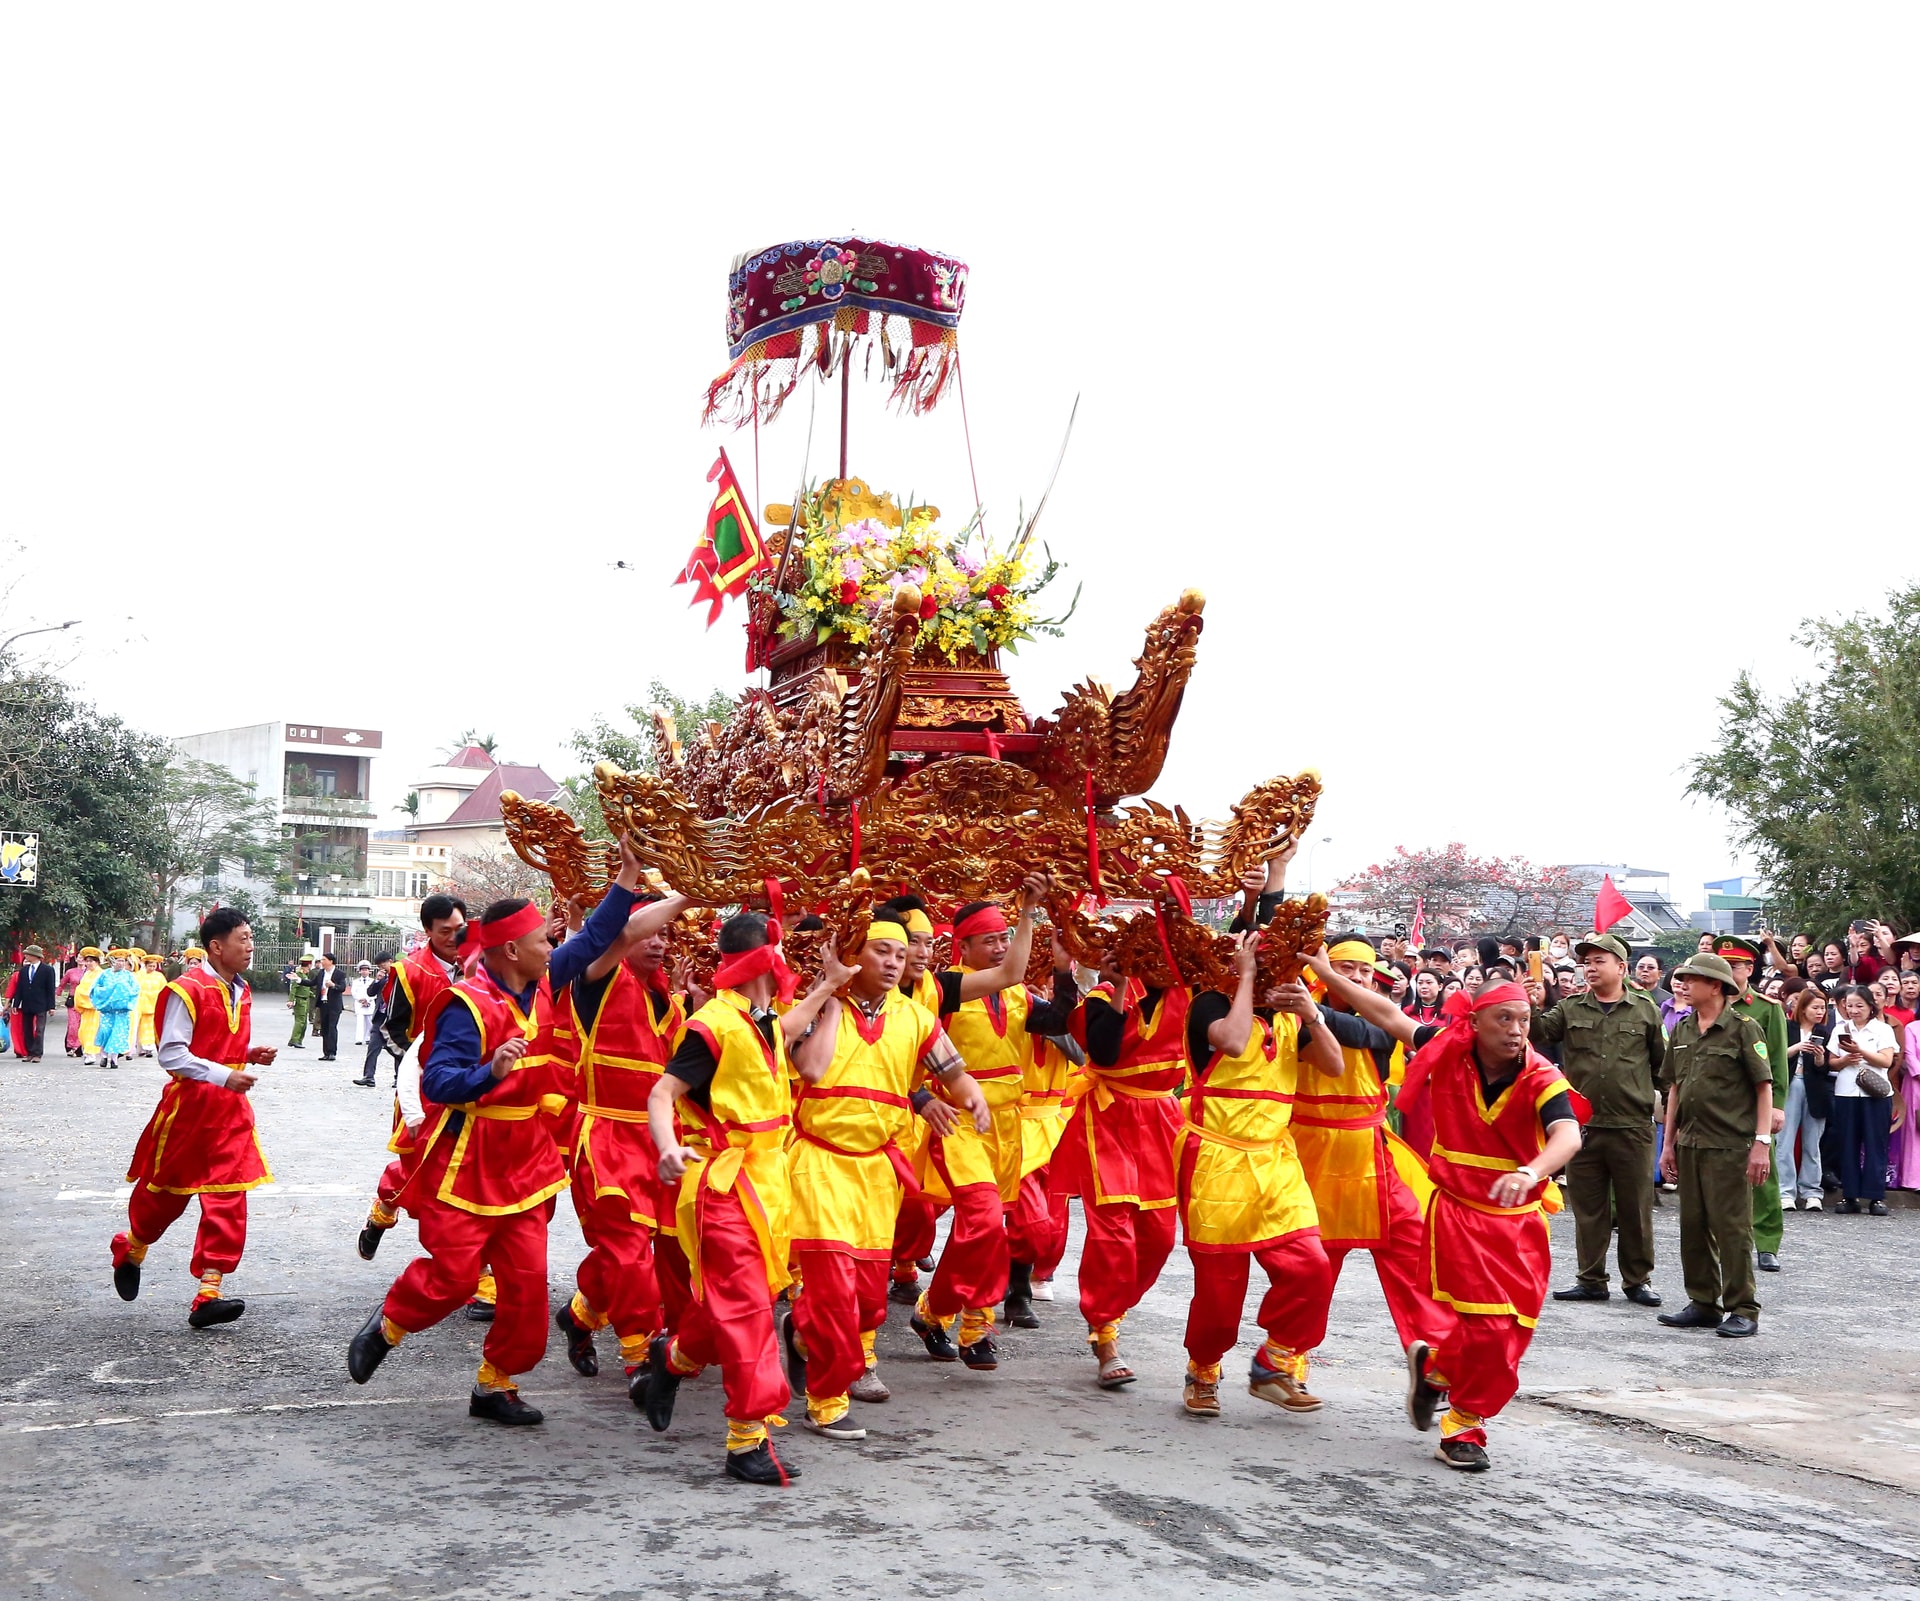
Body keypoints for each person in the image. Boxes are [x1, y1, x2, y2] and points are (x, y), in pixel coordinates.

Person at [346, 898, 571, 1425]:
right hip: (470, 1158)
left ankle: (496, 1384)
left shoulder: (542, 987)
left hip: (527, 1161)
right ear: (511, 950)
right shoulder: (465, 1005)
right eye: (543, 940)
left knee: (528, 1285)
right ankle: (389, 1326)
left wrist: (629, 880)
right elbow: (440, 1082)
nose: (552, 948)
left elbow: (601, 941)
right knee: (454, 1277)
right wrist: (491, 1072)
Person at [786, 919, 984, 1440]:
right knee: (833, 1294)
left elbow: (953, 1073)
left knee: (869, 1304)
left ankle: (803, 1334)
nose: (895, 962)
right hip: (820, 1165)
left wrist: (973, 1097)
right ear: (854, 954)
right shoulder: (819, 1007)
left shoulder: (917, 1018)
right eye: (882, 951)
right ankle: (826, 1401)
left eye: (900, 953)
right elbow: (807, 1069)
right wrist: (830, 998)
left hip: (878, 1172)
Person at [642, 911, 821, 1487]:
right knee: (747, 1311)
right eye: (781, 951)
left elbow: (786, 1029)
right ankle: (747, 1440)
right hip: (724, 1186)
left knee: (732, 1304)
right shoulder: (712, 1025)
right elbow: (662, 1092)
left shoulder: (761, 1021)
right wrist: (667, 1147)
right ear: (766, 959)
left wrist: (829, 987)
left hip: (769, 1185)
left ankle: (670, 1361)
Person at [1393, 979, 1584, 1471]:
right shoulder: (1448, 1051)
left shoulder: (1541, 1075)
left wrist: (1531, 1173)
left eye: (1525, 1020)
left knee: (1510, 1329)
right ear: (1475, 1023)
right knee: (1488, 1326)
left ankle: (1435, 1369)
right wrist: (1326, 976)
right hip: (1459, 1213)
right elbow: (1389, 1016)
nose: (1517, 1030)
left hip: (1520, 1224)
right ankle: (1464, 1424)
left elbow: (1568, 1135)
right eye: (1505, 1019)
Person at [550, 842, 703, 1407]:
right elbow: (617, 934)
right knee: (631, 1253)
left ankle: (580, 1314)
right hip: (607, 1138)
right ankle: (640, 1356)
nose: (659, 941)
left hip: (661, 1141)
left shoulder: (676, 1005)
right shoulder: (598, 980)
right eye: (650, 932)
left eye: (666, 934)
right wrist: (689, 894)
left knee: (645, 1252)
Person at [1178, 933, 1343, 1418]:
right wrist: (1246, 977)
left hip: (1276, 1159)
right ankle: (1203, 1368)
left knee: (1311, 1266)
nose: (1278, 972)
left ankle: (1274, 1362)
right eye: (1265, 962)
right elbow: (1231, 1043)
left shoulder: (1290, 1015)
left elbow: (1333, 1065)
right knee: (1220, 1288)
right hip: (1216, 1158)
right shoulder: (1209, 1003)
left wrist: (1312, 1013)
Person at [911, 876, 1074, 1364]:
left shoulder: (1019, 995)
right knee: (982, 1220)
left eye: (1005, 938)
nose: (1001, 947)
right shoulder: (944, 991)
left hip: (1006, 1126)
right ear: (962, 947)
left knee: (984, 1230)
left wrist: (1064, 972)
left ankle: (937, 1313)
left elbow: (1061, 1022)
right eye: (990, 940)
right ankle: (974, 1325)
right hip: (956, 1122)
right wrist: (922, 1096)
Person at [1289, 941, 1454, 1396]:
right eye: (1346, 968)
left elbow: (1369, 1032)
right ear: (1322, 971)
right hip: (1314, 1155)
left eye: (1365, 971)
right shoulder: (1294, 1018)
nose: (1359, 977)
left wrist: (1313, 1010)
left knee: (1415, 1249)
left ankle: (1433, 1357)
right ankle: (1289, 1352)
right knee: (1316, 1266)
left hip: (1373, 1154)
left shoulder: (1376, 1021)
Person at [111, 909, 278, 1327]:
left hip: (230, 1111)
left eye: (251, 937)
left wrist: (246, 1054)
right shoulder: (187, 989)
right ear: (216, 946)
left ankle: (208, 1293)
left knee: (229, 1197)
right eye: (243, 938)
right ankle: (132, 1246)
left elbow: (216, 1044)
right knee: (165, 1197)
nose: (250, 946)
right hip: (190, 1110)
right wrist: (224, 1073)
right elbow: (172, 1054)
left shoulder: (241, 989)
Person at [1048, 912, 1194, 1390]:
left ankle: (1114, 1309)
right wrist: (1118, 986)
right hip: (1109, 1119)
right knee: (1113, 1235)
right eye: (1148, 953)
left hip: (1162, 1121)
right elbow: (1106, 1053)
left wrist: (1259, 892)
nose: (1161, 961)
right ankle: (1105, 1331)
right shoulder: (1102, 997)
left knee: (1159, 1238)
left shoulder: (1192, 996)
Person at [1529, 933, 1666, 1308]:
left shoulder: (1645, 1009)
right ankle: (1591, 1278)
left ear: (1621, 967)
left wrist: (1667, 1114)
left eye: (1598, 961)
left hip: (1631, 1125)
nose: (1590, 968)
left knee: (1635, 1208)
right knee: (1588, 1208)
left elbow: (1662, 1065)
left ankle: (1637, 1280)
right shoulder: (1571, 1008)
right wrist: (1534, 1005)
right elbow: (1539, 1034)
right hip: (1583, 1127)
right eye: (1586, 962)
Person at [1656, 953, 1774, 1338]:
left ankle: (1743, 1307)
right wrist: (1668, 1144)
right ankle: (1703, 1302)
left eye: (1693, 979)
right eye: (1683, 978)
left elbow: (1763, 1088)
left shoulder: (1744, 1029)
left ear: (1716, 986)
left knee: (1732, 1229)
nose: (1684, 984)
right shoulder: (1683, 1028)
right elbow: (1675, 1088)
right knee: (1693, 1226)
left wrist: (1761, 1143)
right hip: (1690, 1142)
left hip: (1730, 1144)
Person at [357, 895, 468, 1267]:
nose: (453, 938)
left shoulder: (482, 963)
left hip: (472, 1086)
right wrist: (423, 1065)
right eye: (444, 931)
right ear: (427, 932)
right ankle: (383, 1211)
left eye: (459, 929)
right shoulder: (408, 972)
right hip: (422, 1087)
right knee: (416, 1167)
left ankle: (475, 1268)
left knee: (465, 1173)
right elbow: (390, 1029)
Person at [1715, 937, 1790, 1274]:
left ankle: (1767, 1242)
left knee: (1762, 1174)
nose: (1728, 972)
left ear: (1749, 969)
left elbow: (1776, 1063)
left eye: (1734, 966)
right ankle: (1725, 1240)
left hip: (1755, 1103)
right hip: (1718, 1104)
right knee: (1718, 1175)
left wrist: (1777, 1106)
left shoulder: (1766, 1008)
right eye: (1723, 965)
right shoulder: (1709, 1005)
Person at [1826, 984, 1896, 1216]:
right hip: (1846, 1092)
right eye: (1849, 1005)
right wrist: (1845, 1060)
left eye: (1859, 1006)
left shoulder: (1883, 1029)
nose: (1854, 1010)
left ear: (1870, 1006)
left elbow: (1886, 1060)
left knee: (1876, 1144)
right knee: (1848, 1144)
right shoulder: (1840, 1029)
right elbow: (1832, 1062)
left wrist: (1860, 1051)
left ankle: (1876, 1196)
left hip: (1875, 1094)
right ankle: (1850, 1195)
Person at [1780, 987, 1833, 1209]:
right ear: (1802, 1008)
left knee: (1813, 1143)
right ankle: (1785, 1191)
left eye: (1823, 1008)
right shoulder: (1786, 1027)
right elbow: (1774, 1057)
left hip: (1815, 1089)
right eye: (1815, 1007)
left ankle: (1812, 1191)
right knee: (1784, 1140)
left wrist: (1820, 1059)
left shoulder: (1824, 1033)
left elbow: (1825, 1069)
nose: (1820, 1012)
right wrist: (1796, 1048)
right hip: (1790, 1084)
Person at [352, 953, 399, 1088]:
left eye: (383, 964)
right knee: (373, 1047)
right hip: (380, 1017)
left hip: (394, 1019)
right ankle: (368, 1076)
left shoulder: (400, 977)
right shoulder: (382, 978)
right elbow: (371, 993)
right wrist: (377, 980)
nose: (382, 968)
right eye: (379, 966)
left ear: (390, 961)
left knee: (397, 1049)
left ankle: (399, 1078)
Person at [92, 950, 141, 1069]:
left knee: (117, 1034)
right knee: (105, 1031)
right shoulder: (105, 974)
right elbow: (95, 989)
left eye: (123, 961)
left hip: (121, 1012)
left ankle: (114, 1059)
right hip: (107, 1011)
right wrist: (108, 992)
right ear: (113, 962)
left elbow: (135, 990)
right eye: (119, 960)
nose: (121, 963)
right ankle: (104, 1056)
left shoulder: (129, 976)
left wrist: (123, 992)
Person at [9, 944, 57, 1061]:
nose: (25, 956)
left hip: (41, 1004)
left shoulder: (47, 970)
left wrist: (51, 1006)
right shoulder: (24, 970)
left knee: (39, 1030)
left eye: (28, 954)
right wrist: (16, 1004)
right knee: (27, 1030)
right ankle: (30, 1052)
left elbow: (50, 989)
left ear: (34, 956)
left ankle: (37, 1053)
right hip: (27, 1003)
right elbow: (20, 988)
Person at [1894, 1006, 1920, 1189]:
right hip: (1916, 1083)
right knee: (1914, 1130)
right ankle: (1912, 1179)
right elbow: (1909, 1055)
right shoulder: (1912, 1027)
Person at [313, 951, 347, 1061]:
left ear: (331, 961)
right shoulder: (321, 973)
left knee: (332, 1028)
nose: (322, 962)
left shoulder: (339, 973)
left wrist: (333, 985)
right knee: (324, 1029)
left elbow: (342, 988)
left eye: (324, 960)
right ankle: (326, 1052)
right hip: (323, 1004)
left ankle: (332, 1052)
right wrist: (298, 980)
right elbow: (312, 982)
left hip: (334, 1005)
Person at [73, 947, 103, 1063]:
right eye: (88, 961)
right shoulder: (87, 973)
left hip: (95, 1008)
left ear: (97, 962)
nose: (89, 963)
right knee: (83, 1031)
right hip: (85, 1007)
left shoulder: (101, 974)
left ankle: (91, 1054)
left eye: (92, 961)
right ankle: (87, 1051)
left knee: (92, 1030)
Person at [135, 954, 166, 1056]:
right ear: (145, 965)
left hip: (154, 1004)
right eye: (150, 966)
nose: (152, 968)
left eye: (154, 966)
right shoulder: (138, 975)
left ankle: (148, 1047)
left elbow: (164, 989)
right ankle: (141, 1047)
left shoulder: (159, 976)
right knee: (140, 1026)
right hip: (140, 1004)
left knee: (149, 1027)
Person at [286, 955, 315, 1049]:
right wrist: (290, 1000)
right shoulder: (298, 975)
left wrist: (313, 995)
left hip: (305, 1000)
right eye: (310, 965)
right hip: (300, 1000)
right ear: (309, 965)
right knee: (300, 1022)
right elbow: (294, 988)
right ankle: (295, 1040)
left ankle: (298, 1040)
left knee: (304, 1022)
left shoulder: (304, 975)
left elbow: (305, 988)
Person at [350, 959, 377, 1046]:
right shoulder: (356, 981)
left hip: (369, 1003)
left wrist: (367, 1000)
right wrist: (360, 1000)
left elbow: (375, 993)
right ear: (359, 971)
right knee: (360, 1022)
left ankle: (368, 1038)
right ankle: (359, 1039)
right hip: (360, 1004)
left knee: (369, 1022)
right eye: (362, 970)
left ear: (369, 971)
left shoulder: (373, 981)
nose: (364, 971)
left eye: (366, 970)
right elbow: (353, 992)